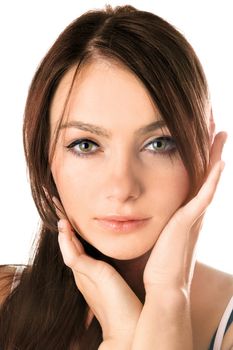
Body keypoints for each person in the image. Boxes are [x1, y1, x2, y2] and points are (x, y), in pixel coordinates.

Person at [0, 4, 232, 349]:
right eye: (85, 144)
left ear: (204, 150)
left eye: (159, 143)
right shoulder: (6, 302)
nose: (122, 187)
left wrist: (168, 298)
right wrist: (120, 336)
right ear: (44, 154)